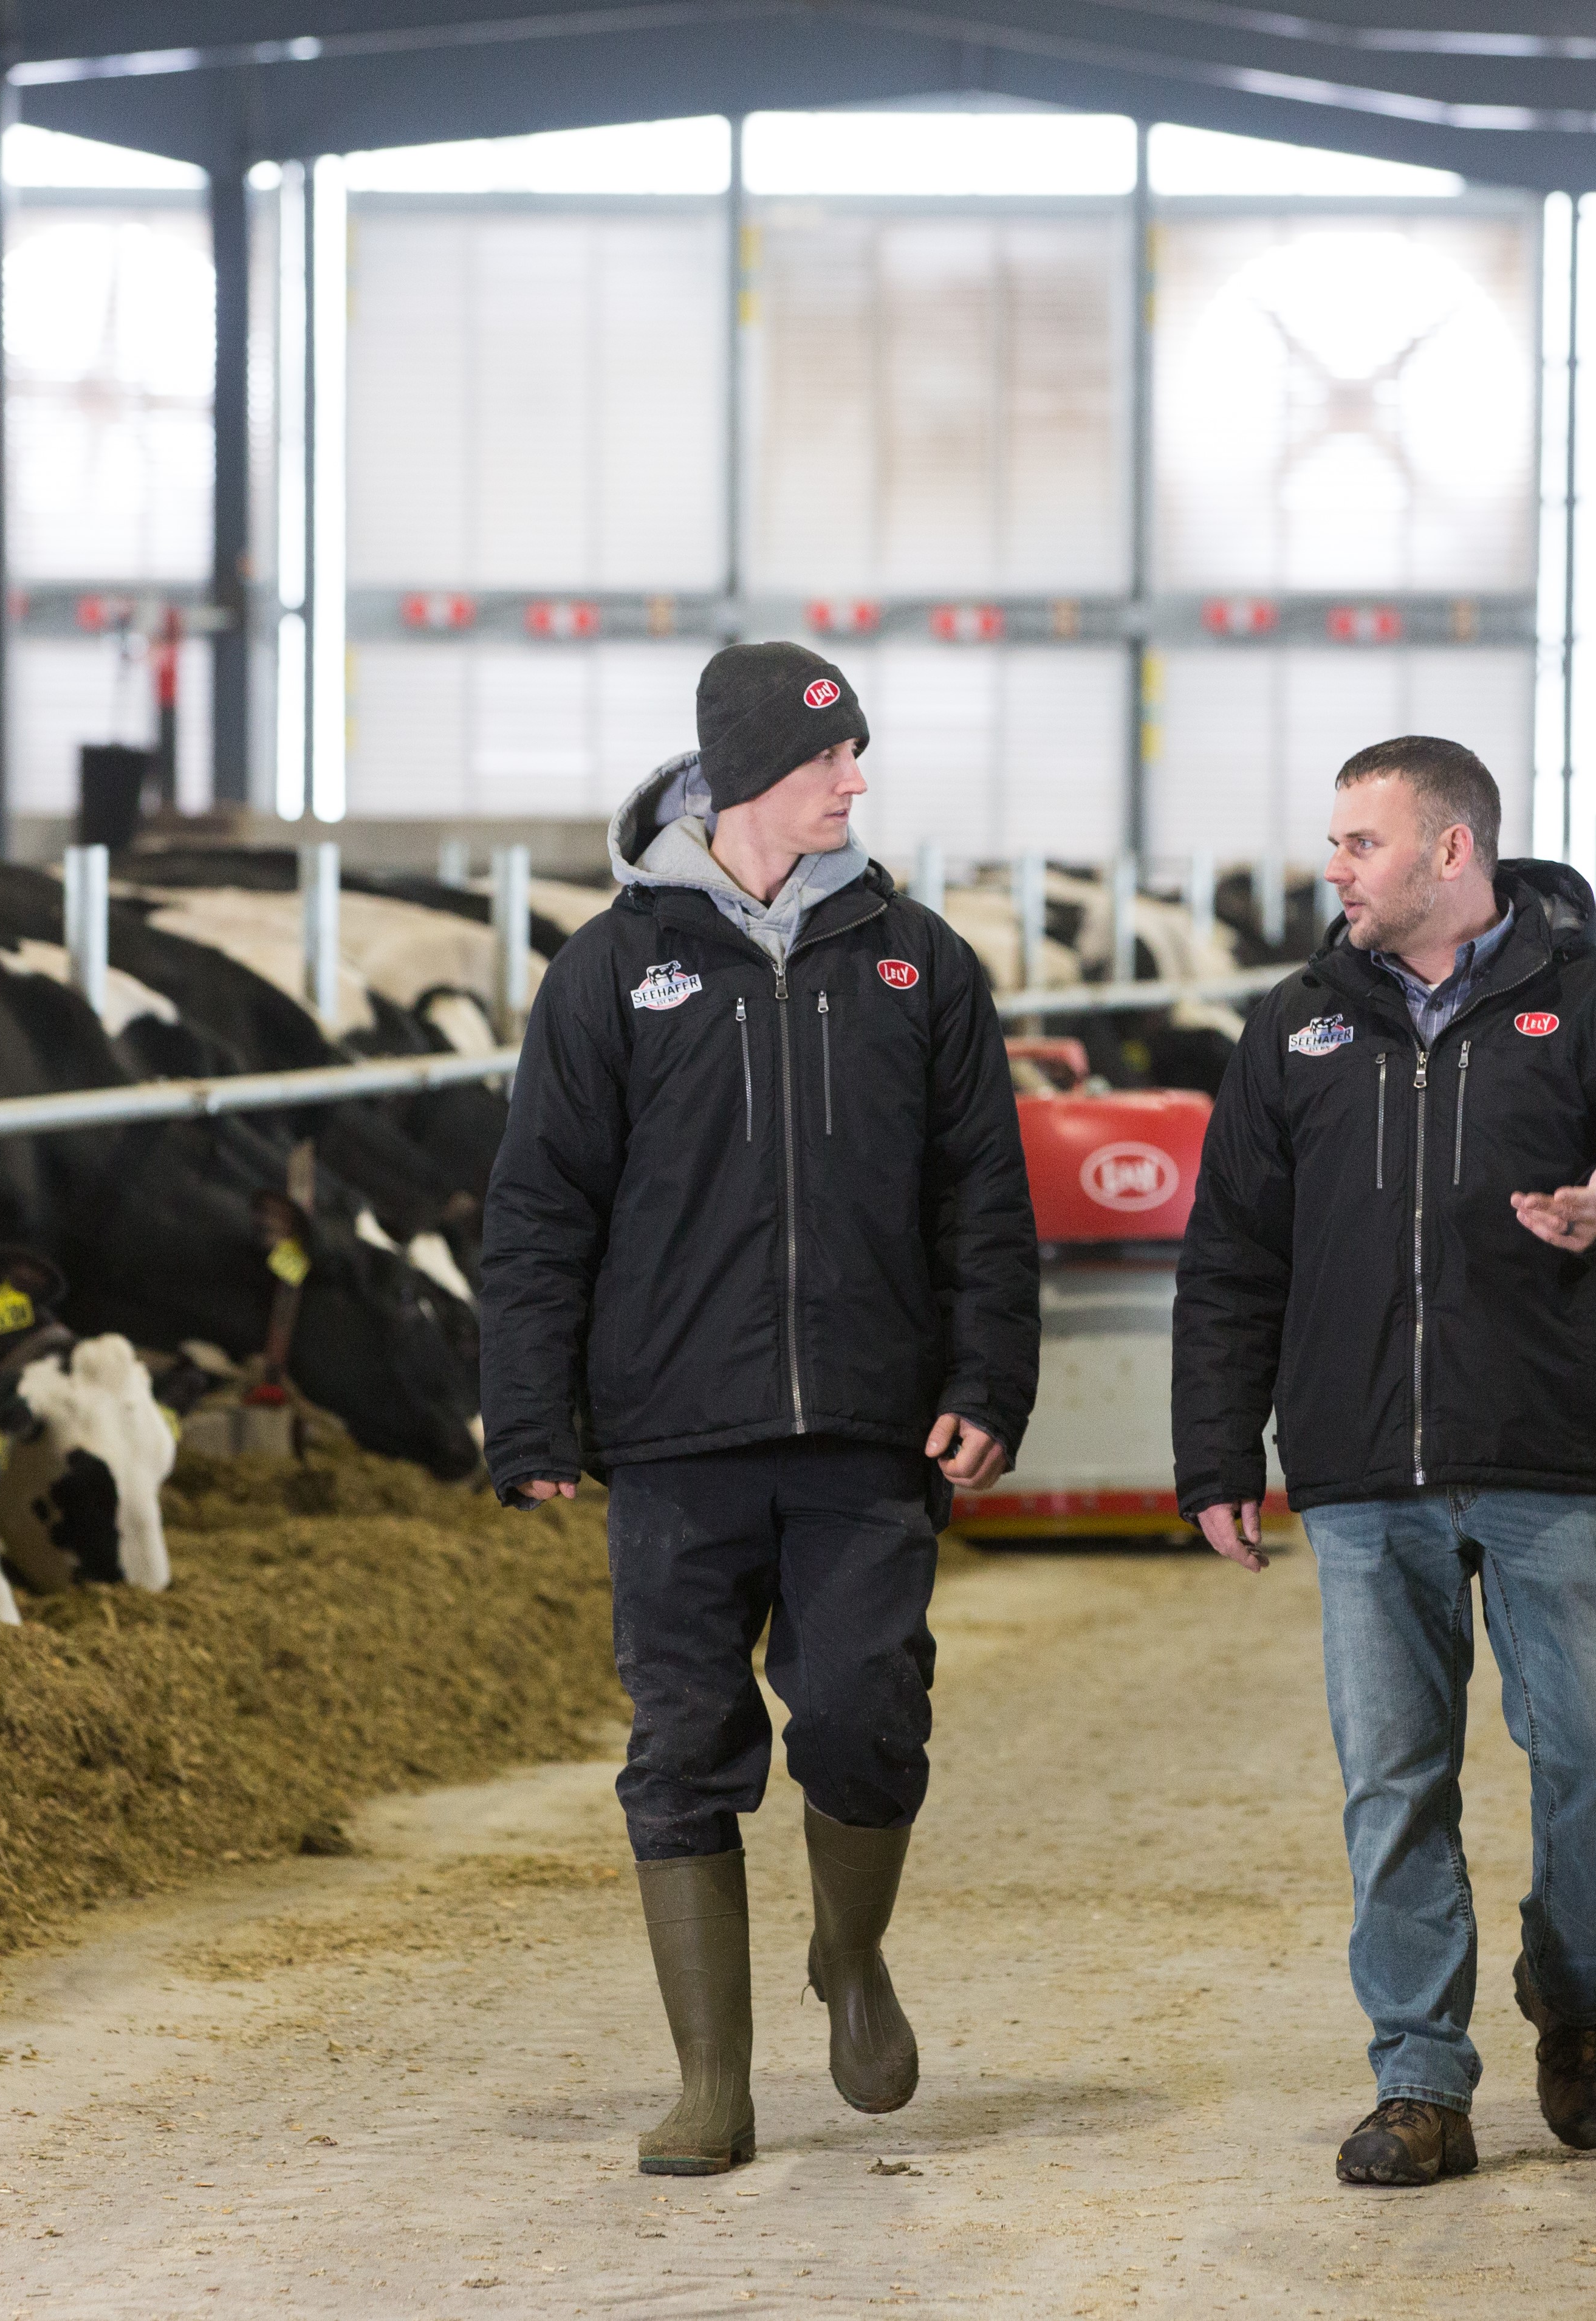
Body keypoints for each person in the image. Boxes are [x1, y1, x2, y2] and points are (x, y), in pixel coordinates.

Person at [478, 640, 1040, 2176]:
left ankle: (849, 1957)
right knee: (686, 1741)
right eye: (827, 761)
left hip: (869, 1427)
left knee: (865, 1716)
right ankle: (711, 2077)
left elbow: (984, 1198)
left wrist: (990, 1382)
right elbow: (541, 1204)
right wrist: (526, 1414)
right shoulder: (612, 968)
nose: (855, 782)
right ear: (741, 778)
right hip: (671, 1433)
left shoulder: (916, 960)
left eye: (856, 756)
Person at [1171, 736, 1596, 2186]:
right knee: (1395, 1776)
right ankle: (1419, 2075)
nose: (1334, 868)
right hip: (1361, 1467)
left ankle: (1576, 1983)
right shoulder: (1294, 1026)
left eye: (1362, 841)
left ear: (1451, 853)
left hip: (1547, 1449)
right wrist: (1217, 1451)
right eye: (1338, 842)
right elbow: (1231, 1254)